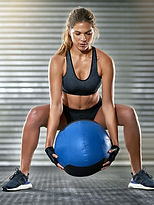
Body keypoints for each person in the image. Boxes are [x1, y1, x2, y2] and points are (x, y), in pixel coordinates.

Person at [2, 7, 154, 192]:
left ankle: (137, 174)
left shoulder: (104, 61)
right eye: (78, 33)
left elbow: (107, 104)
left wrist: (115, 143)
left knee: (129, 114)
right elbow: (56, 105)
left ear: (94, 32)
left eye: (88, 33)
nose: (83, 39)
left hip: (95, 113)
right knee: (34, 115)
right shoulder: (58, 61)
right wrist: (49, 144)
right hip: (66, 114)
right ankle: (23, 175)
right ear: (69, 32)